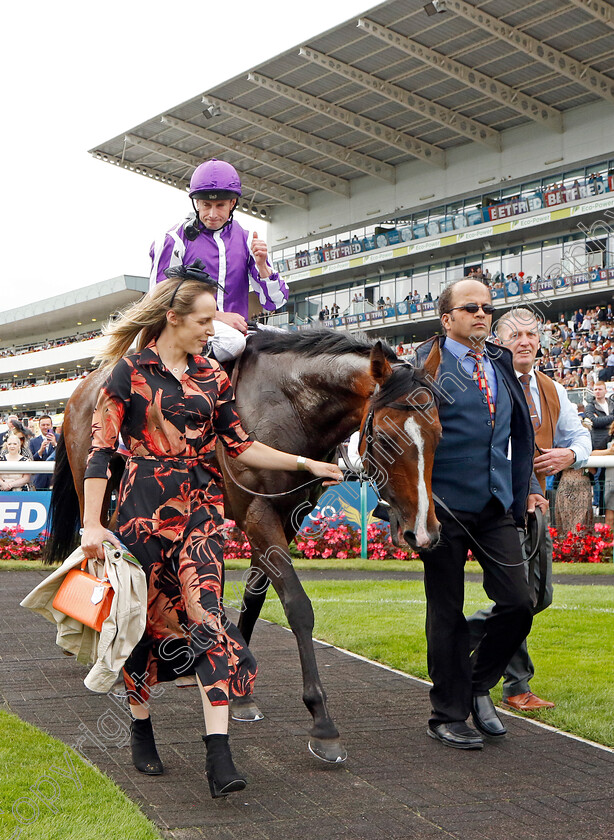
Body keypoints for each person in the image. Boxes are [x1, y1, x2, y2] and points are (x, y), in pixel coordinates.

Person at [80, 266, 342, 797]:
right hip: (140, 512)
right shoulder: (125, 374)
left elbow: (242, 444)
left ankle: (218, 752)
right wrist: (90, 525)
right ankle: (140, 724)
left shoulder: (213, 377)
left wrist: (306, 464)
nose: (213, 329)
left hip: (202, 512)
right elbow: (100, 455)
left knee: (209, 619)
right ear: (172, 318)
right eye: (203, 320)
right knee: (143, 624)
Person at [414, 279, 534, 750]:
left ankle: (478, 684)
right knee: (446, 612)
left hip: (494, 505)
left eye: (487, 307)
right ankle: (446, 713)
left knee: (520, 602)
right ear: (448, 319)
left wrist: (521, 492)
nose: (482, 314)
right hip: (442, 508)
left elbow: (520, 434)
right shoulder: (425, 366)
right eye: (470, 308)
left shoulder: (501, 364)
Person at [467, 308, 591, 712]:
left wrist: (569, 453)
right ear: (500, 342)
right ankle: (516, 685)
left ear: (539, 342)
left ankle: (460, 637)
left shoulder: (553, 389)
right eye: (516, 335)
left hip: (537, 506)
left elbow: (581, 437)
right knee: (517, 596)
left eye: (531, 335)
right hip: (500, 508)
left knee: (538, 597)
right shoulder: (488, 386)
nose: (524, 341)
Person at [149, 158, 288, 362]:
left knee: (291, 341)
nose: (212, 214)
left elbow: (274, 302)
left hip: (238, 329)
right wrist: (216, 316)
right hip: (189, 329)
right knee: (232, 342)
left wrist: (262, 266)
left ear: (233, 203)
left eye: (220, 205)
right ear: (196, 203)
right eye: (206, 205)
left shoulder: (248, 239)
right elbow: (158, 301)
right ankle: (197, 379)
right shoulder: (174, 240)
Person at [29, 414, 58, 490]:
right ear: (39, 426)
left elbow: (64, 455)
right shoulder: (33, 442)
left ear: (51, 425)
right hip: (40, 480)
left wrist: (55, 445)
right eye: (43, 425)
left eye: (48, 425)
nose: (45, 427)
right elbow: (32, 460)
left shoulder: (60, 438)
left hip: (56, 478)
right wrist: (40, 451)